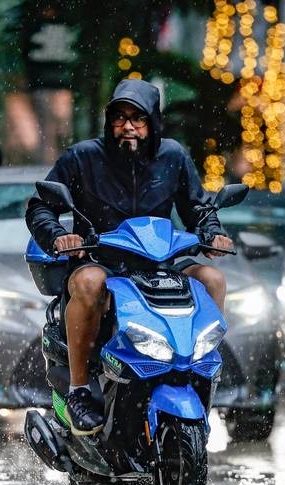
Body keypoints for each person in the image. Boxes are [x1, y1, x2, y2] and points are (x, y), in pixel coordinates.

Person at [26, 79, 234, 437]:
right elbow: (40, 208)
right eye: (119, 118)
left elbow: (197, 206)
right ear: (109, 122)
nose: (128, 126)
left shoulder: (173, 157)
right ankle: (79, 390)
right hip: (100, 260)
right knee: (89, 284)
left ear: (152, 122)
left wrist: (210, 230)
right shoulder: (83, 157)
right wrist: (60, 237)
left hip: (159, 263)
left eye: (137, 118)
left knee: (212, 280)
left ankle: (199, 376)